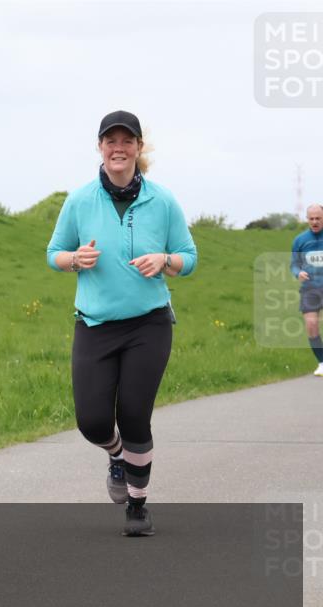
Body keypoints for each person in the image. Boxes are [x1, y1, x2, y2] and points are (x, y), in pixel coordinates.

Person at [46, 110, 198, 537]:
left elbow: (189, 257)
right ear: (100, 148)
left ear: (138, 147)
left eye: (126, 141)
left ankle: (137, 504)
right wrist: (73, 259)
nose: (118, 148)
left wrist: (166, 260)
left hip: (149, 325)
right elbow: (53, 253)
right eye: (110, 141)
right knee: (92, 421)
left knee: (134, 415)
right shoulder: (80, 200)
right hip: (94, 324)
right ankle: (116, 455)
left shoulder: (162, 200)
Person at [291, 204, 323, 377]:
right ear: (307, 219)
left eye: (318, 218)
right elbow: (294, 264)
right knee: (311, 325)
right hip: (310, 288)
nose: (315, 222)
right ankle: (322, 362)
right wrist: (298, 272)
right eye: (311, 218)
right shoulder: (300, 240)